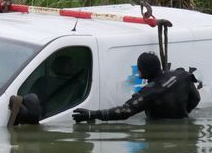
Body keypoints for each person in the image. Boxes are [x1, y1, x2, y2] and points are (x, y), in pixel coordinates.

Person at [72, 52, 201, 123]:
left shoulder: (148, 92)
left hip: (159, 131)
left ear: (144, 71)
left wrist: (92, 114)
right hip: (184, 125)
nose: (138, 73)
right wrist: (183, 112)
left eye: (139, 69)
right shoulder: (182, 75)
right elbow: (196, 98)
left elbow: (124, 112)